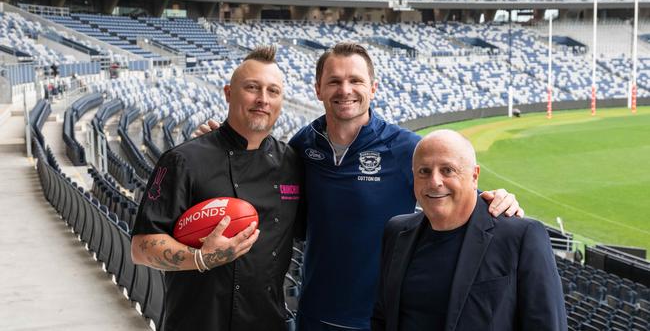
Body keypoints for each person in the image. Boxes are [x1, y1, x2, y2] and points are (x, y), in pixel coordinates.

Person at [195, 42, 523, 331]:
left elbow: (453, 194)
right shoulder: (301, 146)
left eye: (356, 81)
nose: (345, 89)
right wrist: (218, 144)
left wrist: (496, 200)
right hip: (316, 312)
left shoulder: (405, 148)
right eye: (334, 81)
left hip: (381, 316)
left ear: (373, 88)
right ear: (318, 89)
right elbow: (261, 190)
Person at [131, 45, 304, 331]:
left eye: (273, 91)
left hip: (267, 323)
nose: (263, 99)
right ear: (228, 93)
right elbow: (140, 247)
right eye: (252, 87)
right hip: (196, 322)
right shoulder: (183, 159)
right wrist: (200, 258)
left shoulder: (292, 162)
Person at [372, 130, 566, 331]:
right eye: (424, 171)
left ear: (474, 176)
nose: (434, 182)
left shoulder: (521, 236)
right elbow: (382, 316)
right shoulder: (396, 231)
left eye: (448, 170)